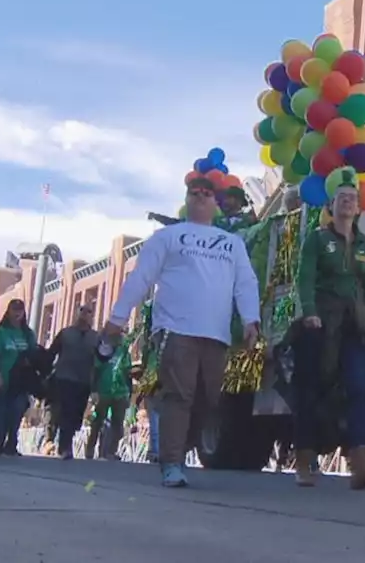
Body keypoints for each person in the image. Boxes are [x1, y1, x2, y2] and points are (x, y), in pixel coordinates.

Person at [104, 174, 261, 488]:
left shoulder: (231, 243)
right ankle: (172, 462)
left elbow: (245, 283)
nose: (200, 197)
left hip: (215, 334)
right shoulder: (168, 237)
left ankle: (178, 449)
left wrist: (250, 319)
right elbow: (141, 278)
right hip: (175, 330)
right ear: (187, 199)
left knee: (208, 398)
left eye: (206, 193)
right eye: (194, 192)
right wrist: (116, 319)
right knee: (179, 394)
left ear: (216, 202)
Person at [290, 167, 365, 489]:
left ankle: (361, 464)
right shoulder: (317, 240)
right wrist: (309, 312)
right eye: (342, 198)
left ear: (359, 208)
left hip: (355, 325)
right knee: (309, 390)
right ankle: (305, 462)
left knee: (360, 387)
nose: (348, 203)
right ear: (331, 207)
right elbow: (304, 278)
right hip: (320, 322)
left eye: (353, 199)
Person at [49, 304, 103, 460]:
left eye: (89, 312)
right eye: (82, 311)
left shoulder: (95, 338)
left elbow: (101, 360)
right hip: (64, 378)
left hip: (84, 381)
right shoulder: (65, 334)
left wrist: (96, 386)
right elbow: (52, 352)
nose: (85, 315)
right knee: (66, 411)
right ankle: (65, 446)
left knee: (77, 414)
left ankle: (66, 440)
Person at [0, 299, 38, 458]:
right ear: (8, 312)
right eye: (14, 310)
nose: (17, 313)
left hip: (20, 381)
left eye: (20, 310)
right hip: (3, 377)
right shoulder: (0, 333)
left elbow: (34, 354)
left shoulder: (28, 334)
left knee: (16, 413)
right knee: (0, 413)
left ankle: (11, 445)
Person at [87, 325, 131, 460]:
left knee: (117, 424)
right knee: (98, 422)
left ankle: (111, 451)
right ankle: (90, 449)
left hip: (120, 392)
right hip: (103, 391)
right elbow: (95, 370)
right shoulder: (102, 350)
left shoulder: (124, 352)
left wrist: (129, 392)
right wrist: (93, 390)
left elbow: (127, 372)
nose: (121, 337)